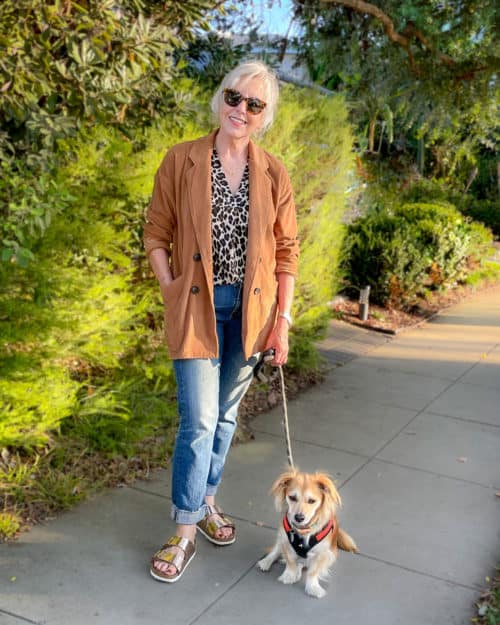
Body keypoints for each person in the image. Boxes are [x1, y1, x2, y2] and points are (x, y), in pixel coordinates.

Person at [143, 60, 299, 583]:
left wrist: (283, 320)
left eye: (254, 104)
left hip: (251, 313)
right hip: (196, 306)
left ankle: (207, 501)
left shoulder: (273, 171)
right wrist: (169, 288)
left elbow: (287, 252)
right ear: (221, 98)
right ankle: (185, 530)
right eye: (235, 97)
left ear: (265, 115)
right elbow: (156, 233)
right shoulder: (182, 159)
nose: (241, 110)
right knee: (200, 420)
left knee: (226, 419)